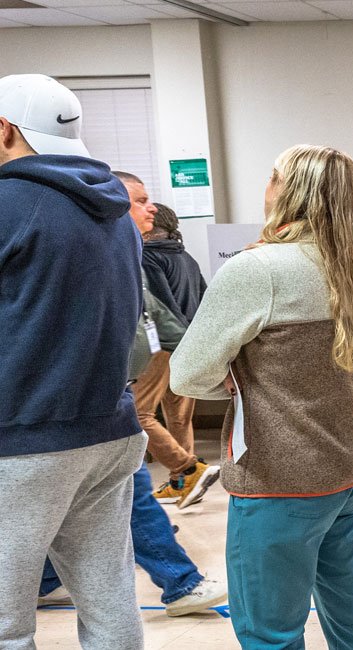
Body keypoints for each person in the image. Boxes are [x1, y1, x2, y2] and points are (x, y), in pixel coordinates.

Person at [171, 145, 353, 649]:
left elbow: (185, 375)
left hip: (279, 480)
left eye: (272, 177)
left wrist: (227, 382)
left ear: (289, 193)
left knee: (271, 633)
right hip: (350, 472)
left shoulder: (258, 270)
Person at [0, 73, 146, 650]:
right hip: (109, 432)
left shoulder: (8, 204)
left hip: (24, 440)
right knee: (109, 602)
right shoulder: (113, 207)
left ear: (5, 131)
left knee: (5, 623)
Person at [38, 178, 229, 617]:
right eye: (140, 201)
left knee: (99, 493)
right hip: (92, 397)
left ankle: (48, 581)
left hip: (121, 382)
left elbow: (154, 313)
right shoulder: (98, 250)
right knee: (127, 489)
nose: (150, 210)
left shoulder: (125, 252)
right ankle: (181, 582)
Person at [114, 178, 218, 508]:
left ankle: (186, 470)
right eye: (141, 201)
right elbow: (204, 300)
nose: (149, 207)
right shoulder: (186, 258)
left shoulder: (146, 257)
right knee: (179, 419)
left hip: (159, 347)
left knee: (140, 414)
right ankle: (183, 482)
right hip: (183, 344)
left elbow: (159, 305)